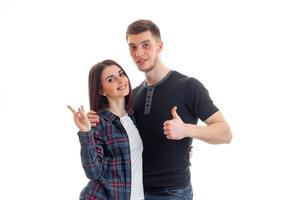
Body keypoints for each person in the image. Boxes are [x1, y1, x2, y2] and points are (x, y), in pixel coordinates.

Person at [88, 20, 232, 200]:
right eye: (132, 47)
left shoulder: (188, 86)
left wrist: (186, 130)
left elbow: (225, 133)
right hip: (133, 192)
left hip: (172, 193)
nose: (138, 53)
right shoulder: (132, 96)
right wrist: (93, 120)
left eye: (146, 45)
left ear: (160, 46)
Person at [68, 59, 144, 200]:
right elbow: (93, 172)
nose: (120, 80)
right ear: (101, 90)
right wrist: (86, 132)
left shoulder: (133, 118)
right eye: (111, 79)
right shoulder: (98, 123)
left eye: (121, 74)